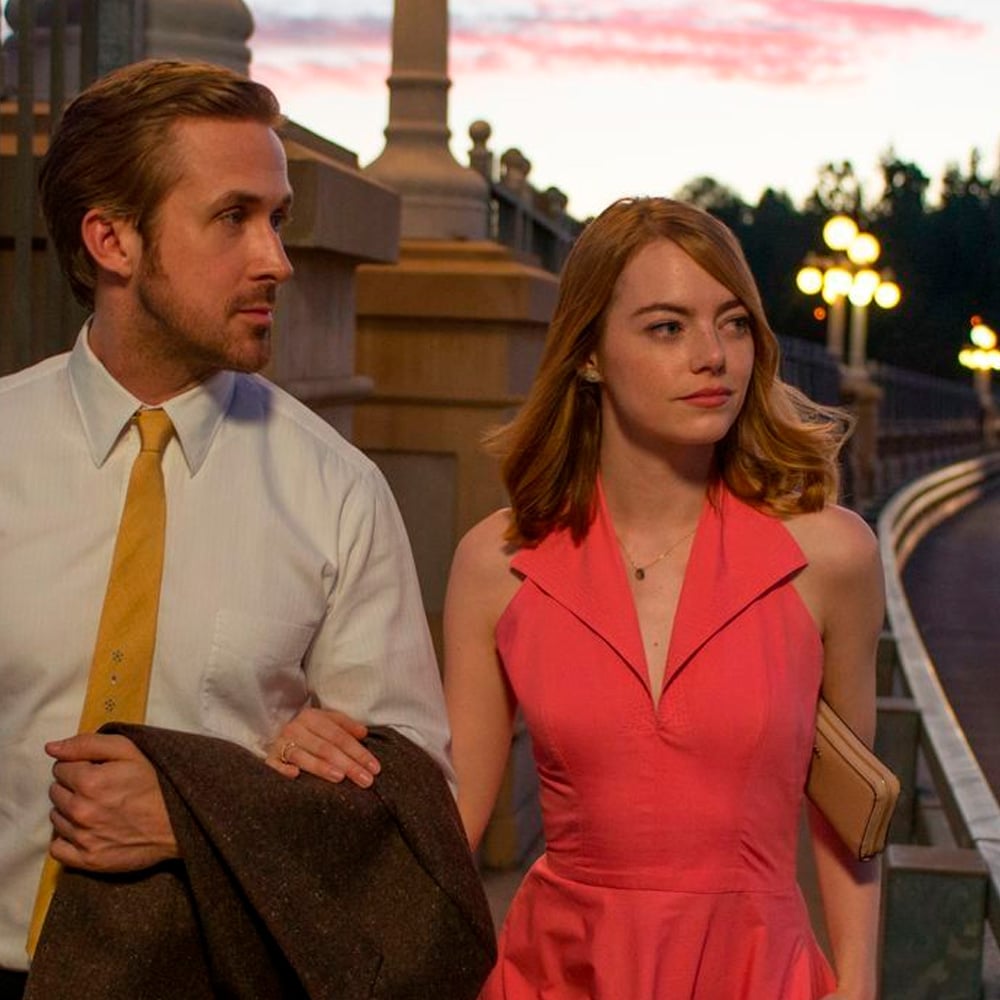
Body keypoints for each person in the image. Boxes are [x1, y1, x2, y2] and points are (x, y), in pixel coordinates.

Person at [0, 59, 456, 994]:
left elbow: (419, 815)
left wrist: (211, 810)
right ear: (112, 239)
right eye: (233, 217)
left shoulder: (338, 494)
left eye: (278, 220)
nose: (277, 260)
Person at [443, 198, 884, 998]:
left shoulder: (831, 557)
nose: (713, 356)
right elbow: (451, 830)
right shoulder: (497, 564)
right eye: (667, 327)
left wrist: (857, 989)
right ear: (589, 355)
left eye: (734, 323)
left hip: (758, 973)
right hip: (556, 973)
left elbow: (852, 820)